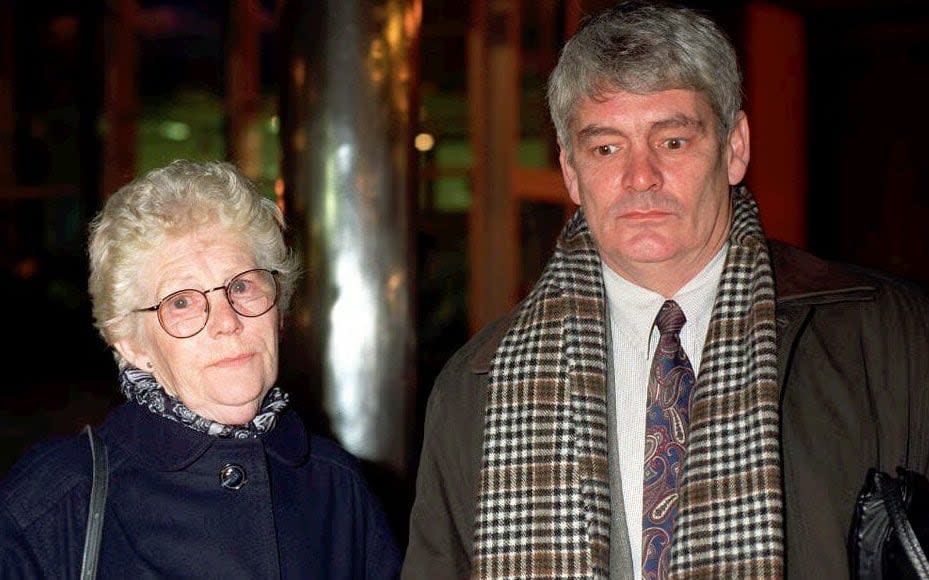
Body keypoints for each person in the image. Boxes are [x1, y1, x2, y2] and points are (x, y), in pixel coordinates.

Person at [402, 1, 929, 578]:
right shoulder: (473, 388)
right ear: (571, 171)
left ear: (734, 148)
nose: (640, 177)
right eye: (607, 148)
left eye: (672, 141)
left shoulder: (892, 340)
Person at [0, 160, 402, 578]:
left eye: (242, 286)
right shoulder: (55, 503)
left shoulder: (337, 487)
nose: (227, 322)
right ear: (131, 343)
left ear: (278, 308)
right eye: (182, 302)